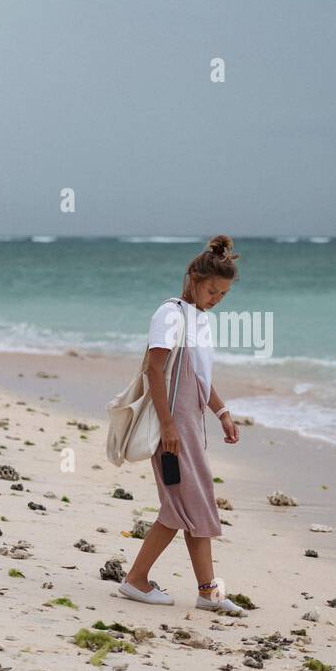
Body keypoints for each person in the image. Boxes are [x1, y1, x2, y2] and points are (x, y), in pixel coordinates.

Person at [120, 235, 241, 609]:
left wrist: (221, 412)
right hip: (171, 427)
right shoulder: (170, 314)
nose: (216, 298)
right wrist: (168, 427)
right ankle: (139, 581)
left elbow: (200, 381)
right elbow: (155, 370)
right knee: (185, 506)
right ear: (193, 278)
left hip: (190, 425)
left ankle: (203, 591)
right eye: (211, 290)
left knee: (190, 506)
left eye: (223, 294)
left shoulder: (199, 320)